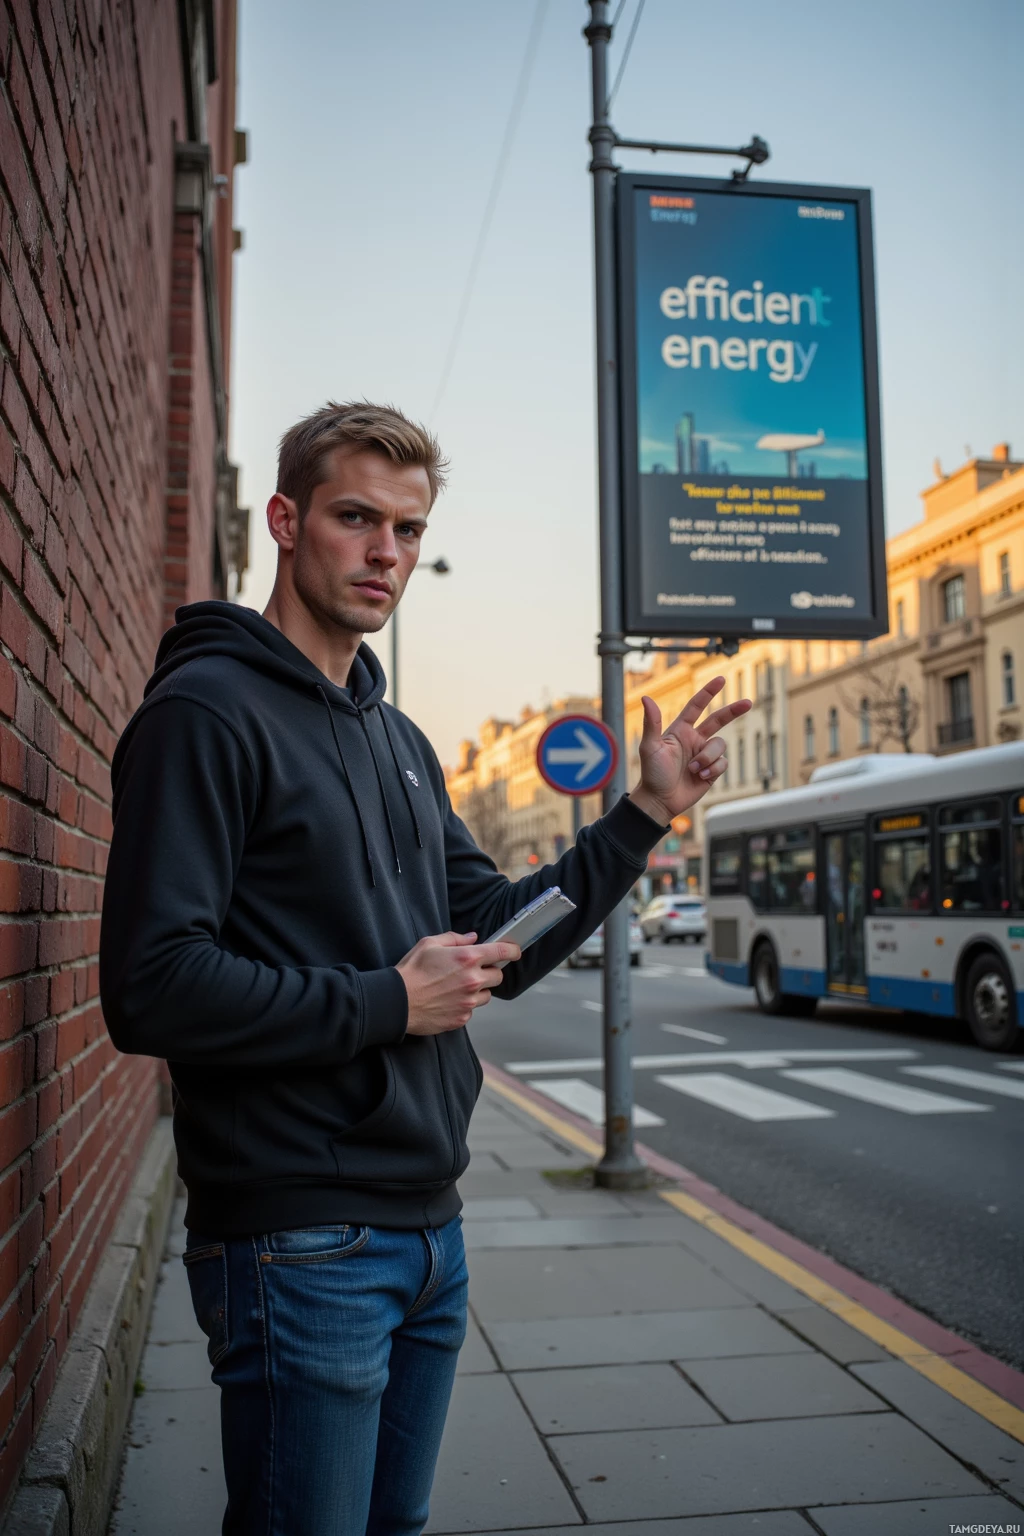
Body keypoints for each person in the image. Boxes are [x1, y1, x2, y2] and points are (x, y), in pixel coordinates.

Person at [99, 402, 750, 1536]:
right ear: (287, 520)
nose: (386, 553)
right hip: (296, 1236)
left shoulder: (398, 743)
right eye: (357, 518)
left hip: (429, 1231)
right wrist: (389, 1001)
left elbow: (497, 934)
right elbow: (150, 985)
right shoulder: (204, 713)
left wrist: (642, 815)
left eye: (407, 529)